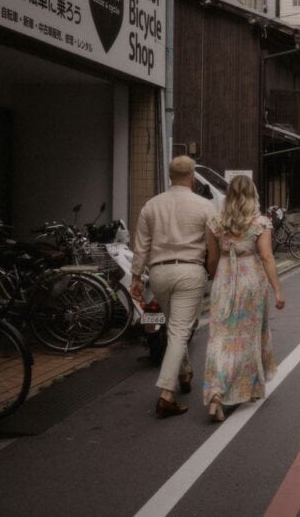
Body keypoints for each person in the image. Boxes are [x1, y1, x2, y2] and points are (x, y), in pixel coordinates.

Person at [130, 155, 216, 419]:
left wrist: (135, 277)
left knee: (173, 327)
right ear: (192, 178)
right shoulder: (205, 206)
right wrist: (215, 273)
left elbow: (141, 244)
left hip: (159, 273)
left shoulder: (151, 206)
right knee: (180, 331)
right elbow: (213, 248)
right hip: (190, 270)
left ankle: (185, 373)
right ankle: (166, 394)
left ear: (169, 177)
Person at [202, 175, 285, 422]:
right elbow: (267, 258)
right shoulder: (260, 223)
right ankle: (247, 388)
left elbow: (213, 260)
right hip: (251, 281)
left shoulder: (216, 222)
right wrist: (278, 290)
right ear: (252, 195)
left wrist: (217, 282)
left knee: (220, 338)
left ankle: (215, 394)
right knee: (247, 339)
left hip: (224, 279)